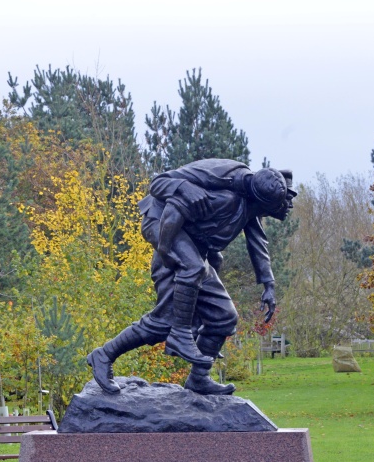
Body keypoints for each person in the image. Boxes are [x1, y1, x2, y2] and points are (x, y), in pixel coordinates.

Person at [86, 159, 296, 395]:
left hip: (189, 249)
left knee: (223, 317)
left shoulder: (248, 205)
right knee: (167, 316)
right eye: (286, 200)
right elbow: (165, 192)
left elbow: (257, 243)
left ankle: (198, 378)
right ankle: (110, 353)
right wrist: (167, 251)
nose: (289, 205)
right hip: (163, 226)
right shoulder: (224, 187)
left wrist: (268, 284)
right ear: (265, 201)